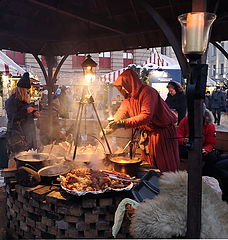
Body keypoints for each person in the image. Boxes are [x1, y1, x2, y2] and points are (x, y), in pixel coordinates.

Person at [101, 69, 179, 173]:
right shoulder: (128, 98)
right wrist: (110, 127)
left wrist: (122, 124)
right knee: (148, 166)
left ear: (131, 83)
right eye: (120, 87)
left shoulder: (148, 92)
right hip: (149, 133)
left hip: (161, 134)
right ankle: (149, 185)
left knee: (162, 166)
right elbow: (121, 112)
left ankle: (164, 187)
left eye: (123, 86)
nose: (122, 89)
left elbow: (146, 116)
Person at [5, 72, 40, 163]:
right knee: (16, 159)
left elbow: (25, 116)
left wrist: (33, 113)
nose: (28, 93)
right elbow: (12, 117)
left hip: (26, 136)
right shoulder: (11, 101)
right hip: (17, 137)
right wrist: (26, 111)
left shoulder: (23, 101)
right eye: (26, 91)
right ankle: (13, 176)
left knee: (25, 161)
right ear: (21, 90)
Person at [177, 107, 217, 177]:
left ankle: (204, 177)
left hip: (201, 149)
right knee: (175, 152)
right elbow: (178, 135)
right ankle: (179, 174)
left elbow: (210, 143)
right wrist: (184, 141)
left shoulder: (209, 125)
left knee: (212, 158)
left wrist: (205, 150)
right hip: (186, 147)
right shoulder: (185, 120)